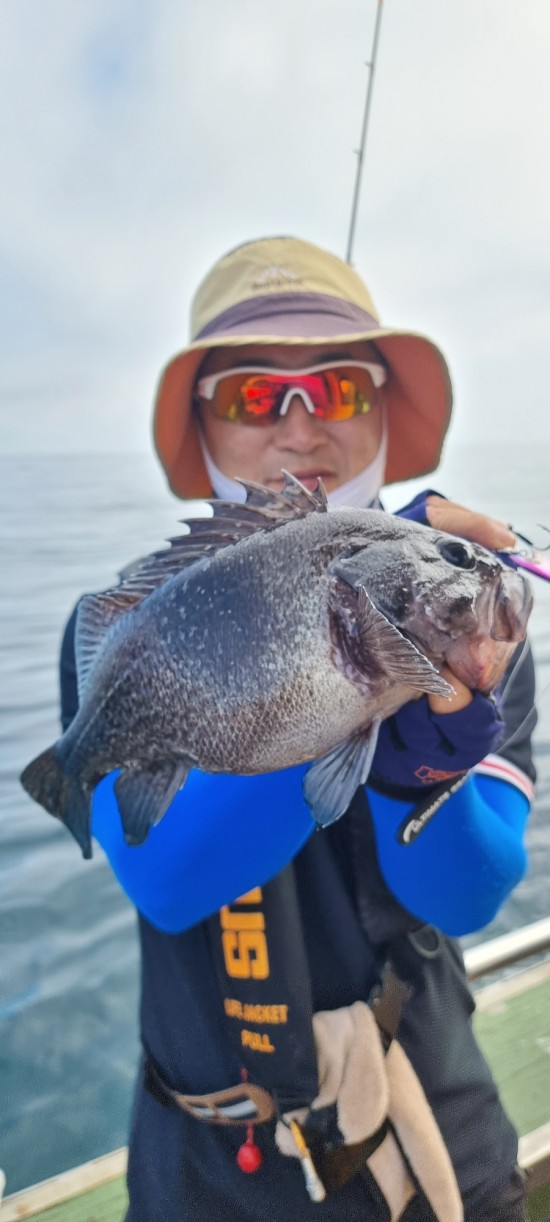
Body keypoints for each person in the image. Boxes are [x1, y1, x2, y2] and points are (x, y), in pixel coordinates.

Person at [60, 237, 536, 1221]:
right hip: (212, 1177)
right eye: (251, 394)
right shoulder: (124, 626)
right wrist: (329, 648)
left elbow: (466, 895)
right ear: (201, 425)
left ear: (382, 411)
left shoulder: (461, 609)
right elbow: (167, 882)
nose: (299, 423)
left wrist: (416, 770)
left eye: (339, 387)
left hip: (436, 1125)